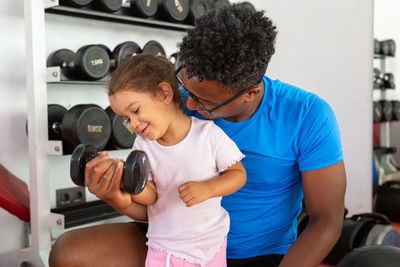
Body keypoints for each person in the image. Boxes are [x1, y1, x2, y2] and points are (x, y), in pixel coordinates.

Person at [49, 4, 346, 267]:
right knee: (69, 253)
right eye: (185, 88)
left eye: (203, 101)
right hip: (174, 239)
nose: (189, 105)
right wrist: (117, 197)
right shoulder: (169, 108)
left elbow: (326, 221)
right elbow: (157, 208)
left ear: (250, 92)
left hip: (257, 254)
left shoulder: (307, 114)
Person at [51, 53, 247, 267]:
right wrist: (125, 184)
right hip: (167, 250)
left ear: (164, 93)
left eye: (135, 110)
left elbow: (238, 174)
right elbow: (151, 194)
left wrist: (208, 189)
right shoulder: (144, 145)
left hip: (212, 244)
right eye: (127, 119)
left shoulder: (208, 135)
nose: (133, 123)